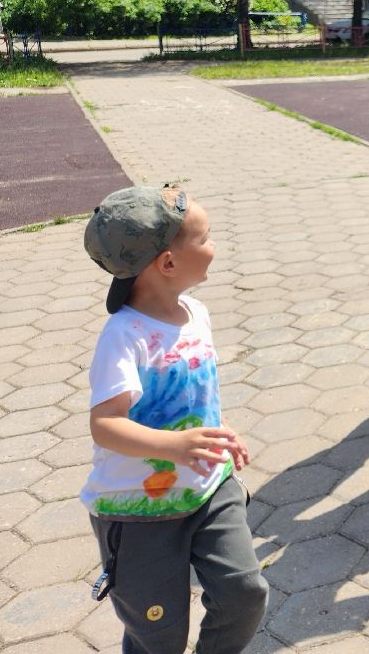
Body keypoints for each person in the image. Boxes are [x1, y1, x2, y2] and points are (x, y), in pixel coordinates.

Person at [82, 187, 268, 652]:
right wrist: (175, 446)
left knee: (245, 593)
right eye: (205, 238)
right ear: (167, 263)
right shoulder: (123, 336)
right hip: (138, 508)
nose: (214, 246)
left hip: (209, 487)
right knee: (157, 633)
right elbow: (105, 424)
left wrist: (219, 434)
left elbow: (194, 397)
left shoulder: (195, 314)